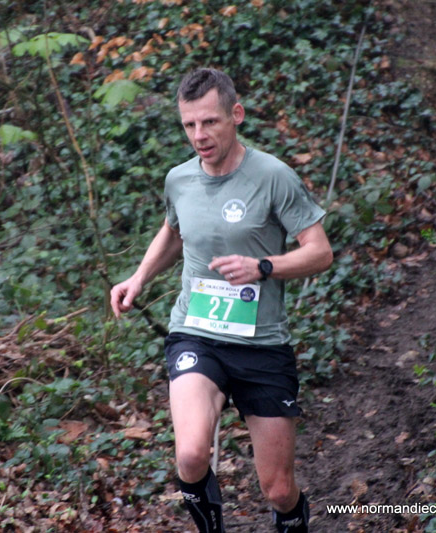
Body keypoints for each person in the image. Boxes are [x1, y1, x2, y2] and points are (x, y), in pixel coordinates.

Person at [110, 68, 333, 533]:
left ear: (237, 115)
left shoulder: (274, 177)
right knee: (191, 454)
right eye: (189, 124)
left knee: (278, 490)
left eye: (209, 122)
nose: (199, 135)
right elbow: (174, 232)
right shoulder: (179, 180)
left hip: (261, 344)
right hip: (196, 333)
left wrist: (263, 266)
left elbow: (320, 252)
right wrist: (139, 277)